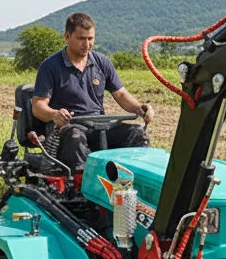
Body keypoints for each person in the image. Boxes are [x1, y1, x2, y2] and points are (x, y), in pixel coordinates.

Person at [30, 12, 154, 171]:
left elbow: (121, 94)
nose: (87, 44)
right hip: (67, 128)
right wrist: (55, 114)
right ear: (67, 36)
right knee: (76, 136)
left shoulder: (101, 62)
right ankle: (81, 187)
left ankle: (134, 181)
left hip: (97, 126)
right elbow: (38, 106)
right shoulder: (50, 66)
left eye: (90, 39)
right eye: (81, 38)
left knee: (136, 133)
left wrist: (139, 109)